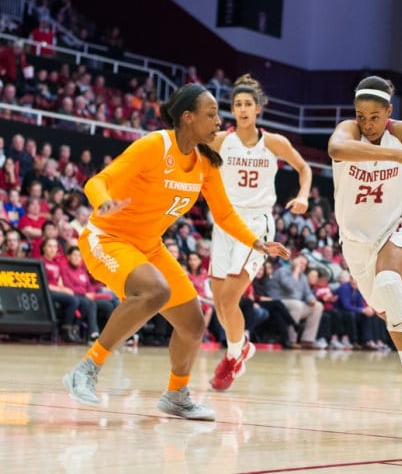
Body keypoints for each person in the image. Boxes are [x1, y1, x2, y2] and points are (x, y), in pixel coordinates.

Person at [62, 83, 290, 421]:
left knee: (193, 325)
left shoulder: (205, 163)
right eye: (211, 115)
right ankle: (86, 369)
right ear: (187, 118)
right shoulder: (155, 145)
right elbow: (96, 181)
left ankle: (176, 395)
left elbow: (225, 214)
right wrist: (103, 203)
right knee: (155, 291)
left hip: (149, 245)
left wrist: (256, 242)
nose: (218, 122)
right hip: (107, 237)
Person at [327, 75, 402, 423]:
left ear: (388, 112)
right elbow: (336, 150)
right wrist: (397, 155)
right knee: (386, 309)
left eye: (375, 116)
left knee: (390, 284)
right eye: (361, 116)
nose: (367, 123)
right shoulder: (347, 132)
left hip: (398, 225)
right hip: (356, 242)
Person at [206, 74, 312, 391]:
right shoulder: (220, 140)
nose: (242, 109)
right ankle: (242, 347)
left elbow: (305, 168)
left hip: (256, 225)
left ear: (258, 109)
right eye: (237, 104)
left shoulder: (273, 143)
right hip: (224, 222)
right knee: (219, 302)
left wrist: (303, 195)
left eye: (247, 104)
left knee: (228, 301)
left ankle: (233, 357)